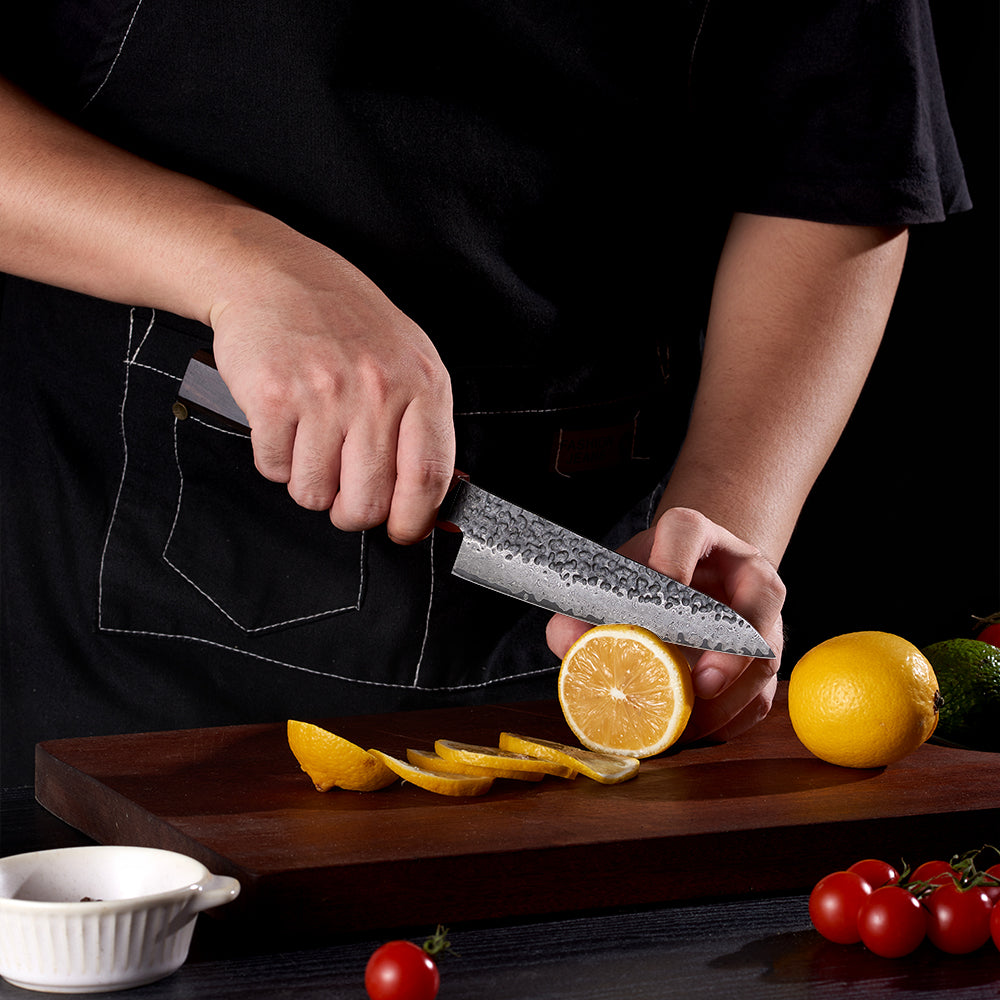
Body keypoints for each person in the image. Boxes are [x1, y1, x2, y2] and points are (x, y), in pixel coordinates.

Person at [0, 2, 969, 786]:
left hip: (584, 616)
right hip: (128, 633)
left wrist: (721, 521)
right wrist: (243, 265)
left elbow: (838, 164)